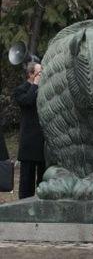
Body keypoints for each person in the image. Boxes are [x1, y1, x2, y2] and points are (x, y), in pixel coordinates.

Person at [12, 62, 45, 199]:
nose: (42, 75)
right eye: (39, 73)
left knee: (44, 181)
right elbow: (27, 101)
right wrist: (35, 85)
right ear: (31, 74)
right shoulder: (20, 90)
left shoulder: (45, 88)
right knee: (26, 183)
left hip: (44, 142)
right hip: (29, 143)